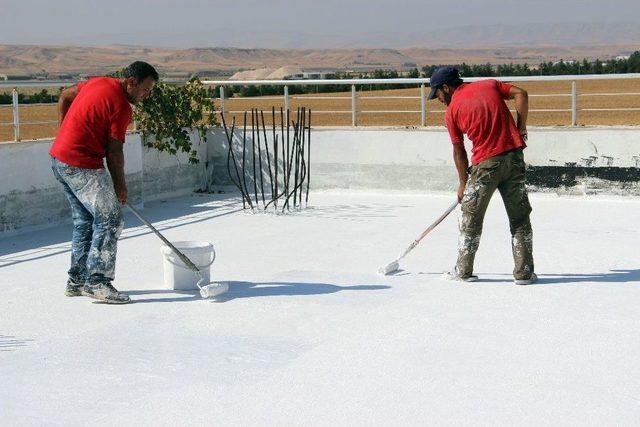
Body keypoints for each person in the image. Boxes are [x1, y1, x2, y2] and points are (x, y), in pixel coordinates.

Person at [50, 61, 158, 303]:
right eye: (145, 89)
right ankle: (98, 281)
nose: (146, 96)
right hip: (81, 164)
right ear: (131, 82)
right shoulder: (121, 107)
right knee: (110, 218)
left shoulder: (98, 81)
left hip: (59, 159)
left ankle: (77, 281)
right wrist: (120, 186)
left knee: (85, 221)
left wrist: (63, 130)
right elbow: (114, 152)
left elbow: (65, 95)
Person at [429, 66, 536, 285]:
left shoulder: (451, 112)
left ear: (446, 88)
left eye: (437, 94)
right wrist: (520, 127)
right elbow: (521, 94)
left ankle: (463, 270)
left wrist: (462, 184)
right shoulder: (489, 85)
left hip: (485, 167)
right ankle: (524, 273)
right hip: (514, 158)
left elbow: (459, 151)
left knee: (471, 219)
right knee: (520, 218)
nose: (438, 99)